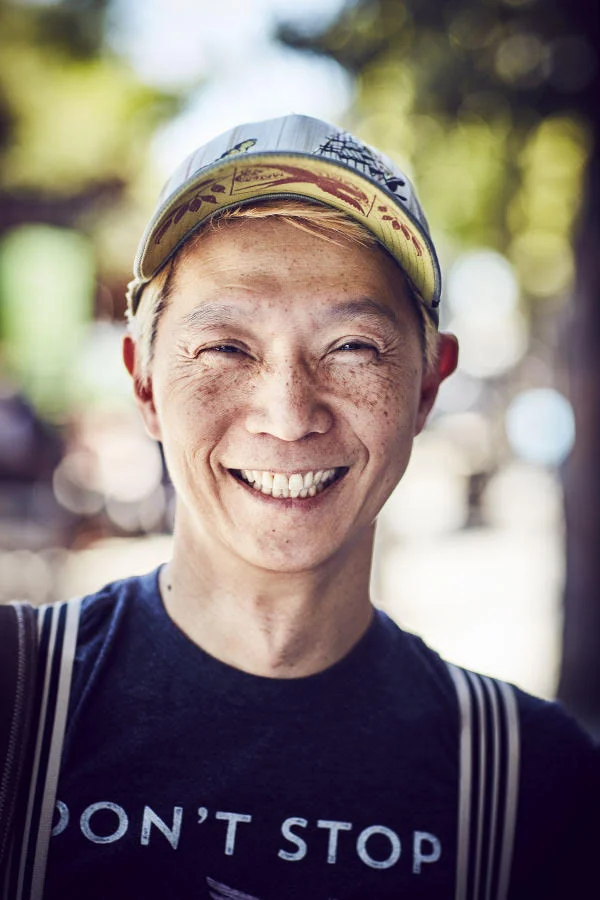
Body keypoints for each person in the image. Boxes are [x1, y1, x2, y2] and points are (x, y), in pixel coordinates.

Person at [8, 115, 599, 899]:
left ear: (427, 385)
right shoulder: (16, 701)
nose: (288, 415)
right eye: (226, 348)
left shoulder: (536, 784)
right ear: (145, 382)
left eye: (352, 346)